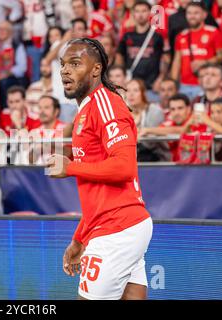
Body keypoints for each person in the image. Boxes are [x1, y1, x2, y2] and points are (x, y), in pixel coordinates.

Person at [47, 37, 152, 300]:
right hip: (115, 225)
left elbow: (124, 167)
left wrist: (71, 168)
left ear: (96, 70)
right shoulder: (83, 112)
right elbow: (99, 194)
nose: (65, 70)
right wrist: (79, 239)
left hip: (117, 229)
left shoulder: (106, 103)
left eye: (75, 63)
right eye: (62, 65)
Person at [170, 1, 222, 100]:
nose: (192, 16)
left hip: (206, 84)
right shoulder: (181, 36)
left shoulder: (213, 32)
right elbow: (176, 62)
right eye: (189, 13)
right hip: (184, 85)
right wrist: (173, 84)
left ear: (204, 15)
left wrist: (204, 62)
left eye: (196, 13)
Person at [116, 0, 169, 102]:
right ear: (133, 14)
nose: (140, 15)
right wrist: (121, 79)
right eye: (137, 11)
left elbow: (165, 58)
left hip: (151, 86)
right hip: (130, 85)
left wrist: (160, 79)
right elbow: (119, 56)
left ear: (150, 13)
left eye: (144, 11)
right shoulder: (127, 36)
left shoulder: (157, 36)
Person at [0, 20, 28, 109]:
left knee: (4, 83)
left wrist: (6, 73)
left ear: (10, 32)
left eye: (4, 30)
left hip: (12, 79)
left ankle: (6, 110)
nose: (0, 32)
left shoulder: (17, 46)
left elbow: (22, 67)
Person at [139, 93, 192, 161]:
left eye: (180, 108)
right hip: (171, 167)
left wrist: (147, 130)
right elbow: (161, 130)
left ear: (188, 109)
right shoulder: (167, 124)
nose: (176, 113)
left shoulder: (196, 122)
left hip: (196, 168)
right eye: (173, 109)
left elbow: (181, 130)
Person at [126, 78, 167, 161]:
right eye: (128, 90)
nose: (131, 94)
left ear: (143, 93)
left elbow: (150, 143)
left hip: (152, 155)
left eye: (136, 90)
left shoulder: (155, 111)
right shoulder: (122, 111)